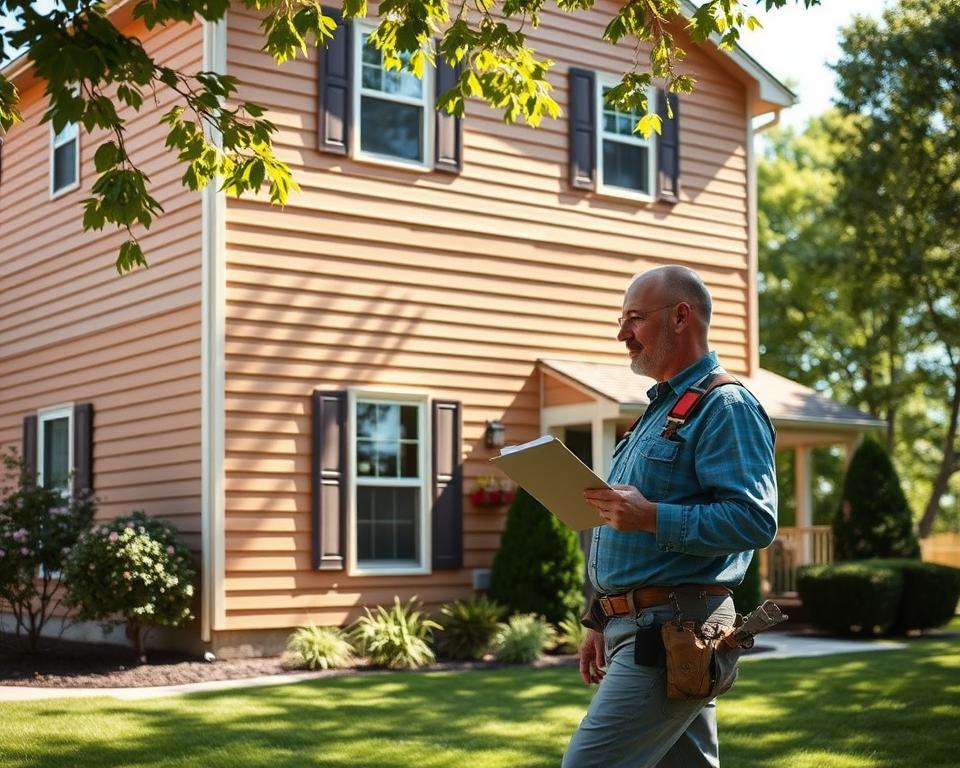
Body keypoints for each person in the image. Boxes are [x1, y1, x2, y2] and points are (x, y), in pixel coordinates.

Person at [562, 265, 778, 768]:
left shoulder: (725, 406)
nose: (622, 334)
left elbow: (754, 520)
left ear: (681, 317)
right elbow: (623, 536)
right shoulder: (655, 414)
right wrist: (600, 616)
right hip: (638, 630)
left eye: (634, 318)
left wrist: (652, 516)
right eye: (622, 320)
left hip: (672, 633)